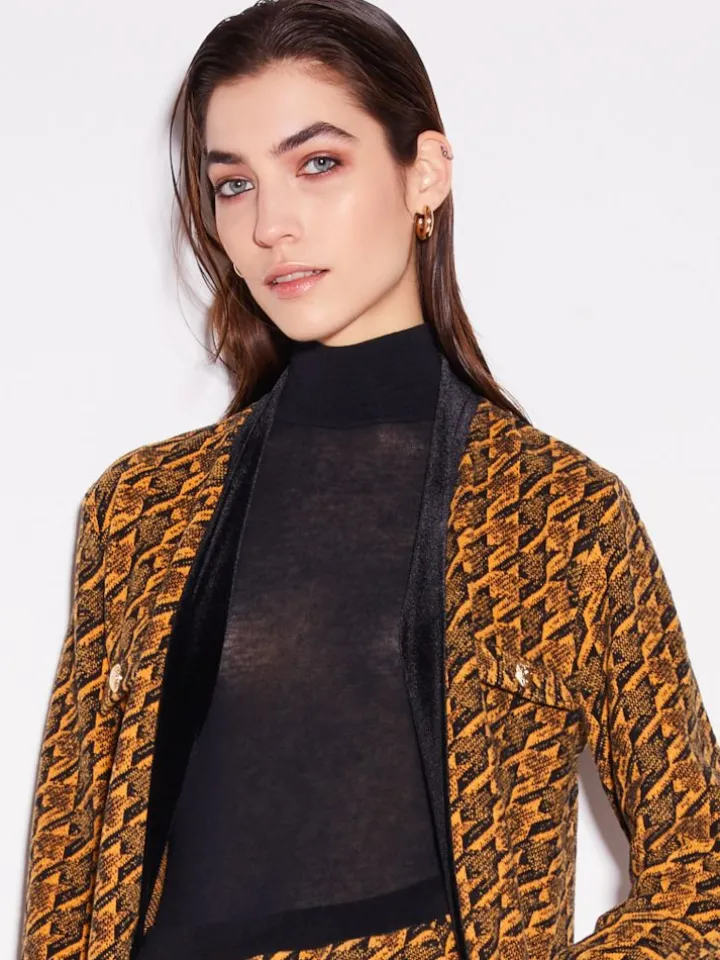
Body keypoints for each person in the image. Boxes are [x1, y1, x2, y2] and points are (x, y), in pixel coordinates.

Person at [19, 1, 720, 959]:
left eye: (318, 163)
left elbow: (702, 872)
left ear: (423, 173)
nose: (271, 224)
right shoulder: (140, 509)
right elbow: (65, 879)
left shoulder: (555, 515)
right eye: (233, 184)